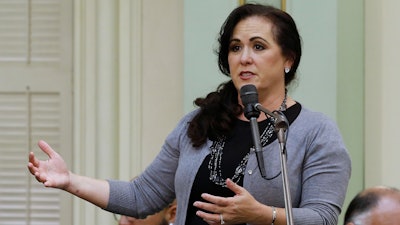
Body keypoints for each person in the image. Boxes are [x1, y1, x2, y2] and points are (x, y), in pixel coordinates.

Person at [27, 3, 351, 225]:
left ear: (288, 59)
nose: (245, 58)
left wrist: (261, 214)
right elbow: (142, 196)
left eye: (259, 46)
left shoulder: (315, 131)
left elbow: (323, 217)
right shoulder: (198, 123)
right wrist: (70, 181)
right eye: (236, 47)